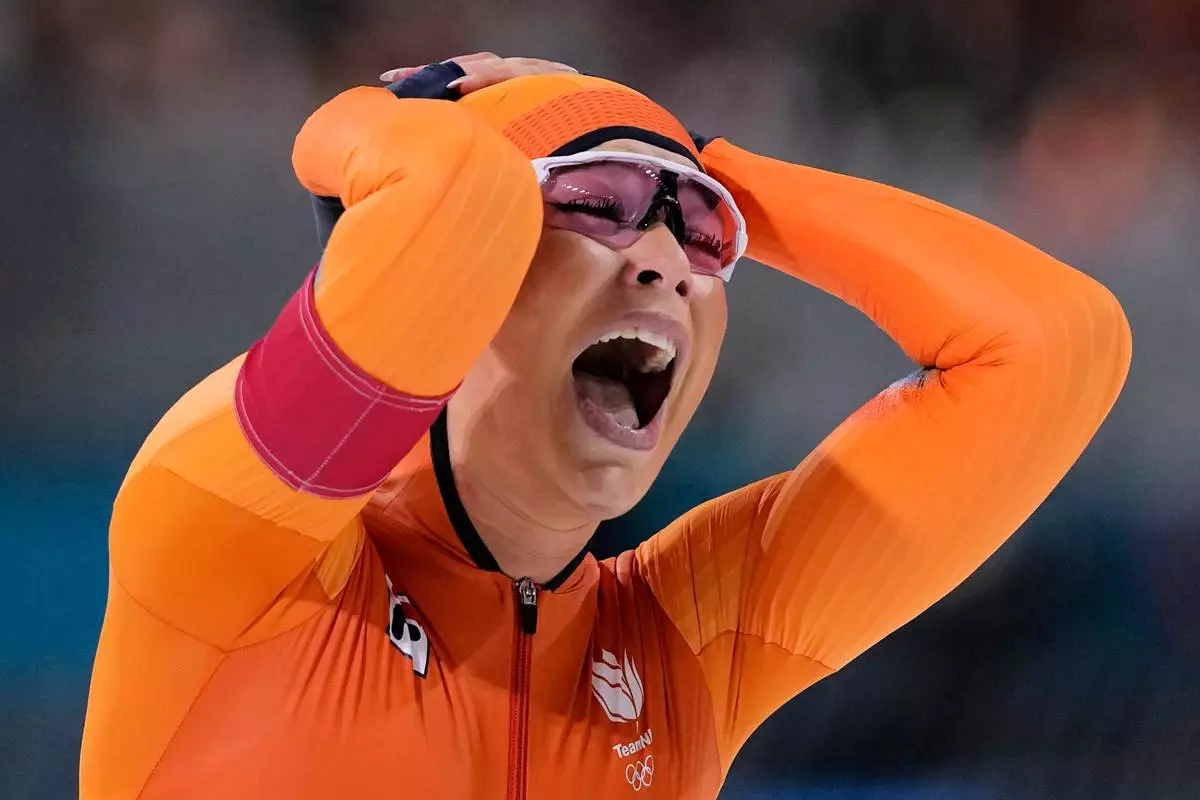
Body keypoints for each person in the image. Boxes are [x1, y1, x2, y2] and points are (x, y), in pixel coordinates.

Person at [79, 53, 1131, 799]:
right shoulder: (232, 546)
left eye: (699, 226)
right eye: (594, 203)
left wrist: (708, 160)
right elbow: (451, 192)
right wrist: (360, 119)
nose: (669, 260)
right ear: (467, 268)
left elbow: (1052, 342)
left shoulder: (681, 642)